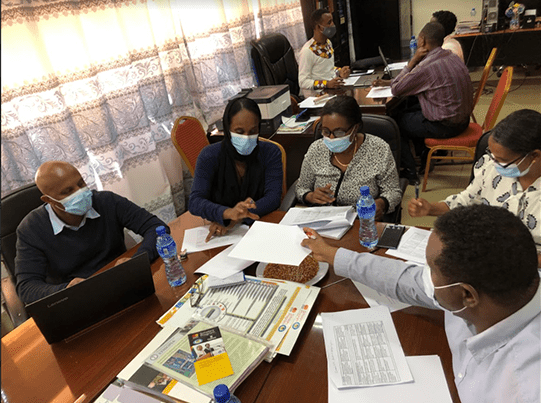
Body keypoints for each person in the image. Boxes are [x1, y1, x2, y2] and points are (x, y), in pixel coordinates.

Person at [302, 204, 540, 403]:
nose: (424, 274)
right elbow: (408, 280)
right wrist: (333, 255)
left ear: (468, 295)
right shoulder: (496, 285)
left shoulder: (523, 387)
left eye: (432, 270)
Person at [15, 161, 167, 304]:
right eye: (67, 192)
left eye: (81, 183)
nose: (80, 192)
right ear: (50, 201)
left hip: (124, 283)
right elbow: (26, 287)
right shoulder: (30, 229)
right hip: (78, 300)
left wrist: (139, 259)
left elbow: (155, 227)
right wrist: (65, 289)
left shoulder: (106, 201)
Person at [408, 109, 541, 266]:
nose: (494, 163)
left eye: (503, 160)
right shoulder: (489, 166)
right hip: (485, 254)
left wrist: (513, 259)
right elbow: (467, 201)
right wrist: (430, 208)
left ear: (534, 156)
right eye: (492, 155)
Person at [374, 22, 473, 184]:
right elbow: (410, 83)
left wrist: (412, 62)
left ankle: (410, 172)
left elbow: (397, 89)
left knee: (395, 121)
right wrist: (388, 83)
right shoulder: (451, 56)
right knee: (410, 106)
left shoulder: (427, 66)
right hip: (463, 120)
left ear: (421, 41)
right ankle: (423, 153)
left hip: (446, 126)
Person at [189, 97, 283, 241]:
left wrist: (237, 217)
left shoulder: (271, 152)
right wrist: (227, 213)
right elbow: (195, 202)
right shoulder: (209, 155)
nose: (246, 137)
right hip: (222, 235)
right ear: (227, 129)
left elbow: (273, 198)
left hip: (260, 230)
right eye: (239, 132)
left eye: (253, 131)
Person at [295, 95, 401, 221]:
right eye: (326, 131)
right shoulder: (316, 149)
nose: (332, 138)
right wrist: (310, 196)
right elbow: (301, 187)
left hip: (362, 222)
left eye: (339, 132)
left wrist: (382, 204)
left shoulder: (378, 148)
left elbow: (393, 191)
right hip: (324, 221)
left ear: (355, 128)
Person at [298, 8, 351, 93]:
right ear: (319, 27)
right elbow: (303, 81)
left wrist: (339, 71)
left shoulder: (328, 43)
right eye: (329, 22)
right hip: (317, 97)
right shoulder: (307, 51)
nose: (333, 25)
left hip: (331, 90)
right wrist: (326, 84)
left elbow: (327, 69)